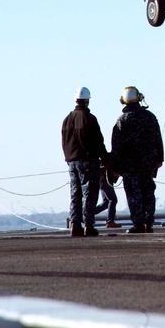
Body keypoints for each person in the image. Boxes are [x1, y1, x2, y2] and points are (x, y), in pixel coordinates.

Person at [109, 86, 164, 233]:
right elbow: (158, 139)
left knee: (133, 194)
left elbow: (116, 146)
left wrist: (115, 167)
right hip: (148, 163)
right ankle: (148, 222)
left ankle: (138, 223)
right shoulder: (150, 117)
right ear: (139, 98)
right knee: (148, 191)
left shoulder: (122, 120)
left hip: (130, 165)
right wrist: (160, 158)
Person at [61, 87, 109, 237]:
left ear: (76, 100)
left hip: (71, 161)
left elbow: (64, 142)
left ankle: (75, 225)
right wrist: (105, 159)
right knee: (89, 193)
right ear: (87, 101)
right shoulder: (89, 118)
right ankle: (88, 224)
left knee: (75, 194)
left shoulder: (67, 119)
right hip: (87, 161)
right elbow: (98, 142)